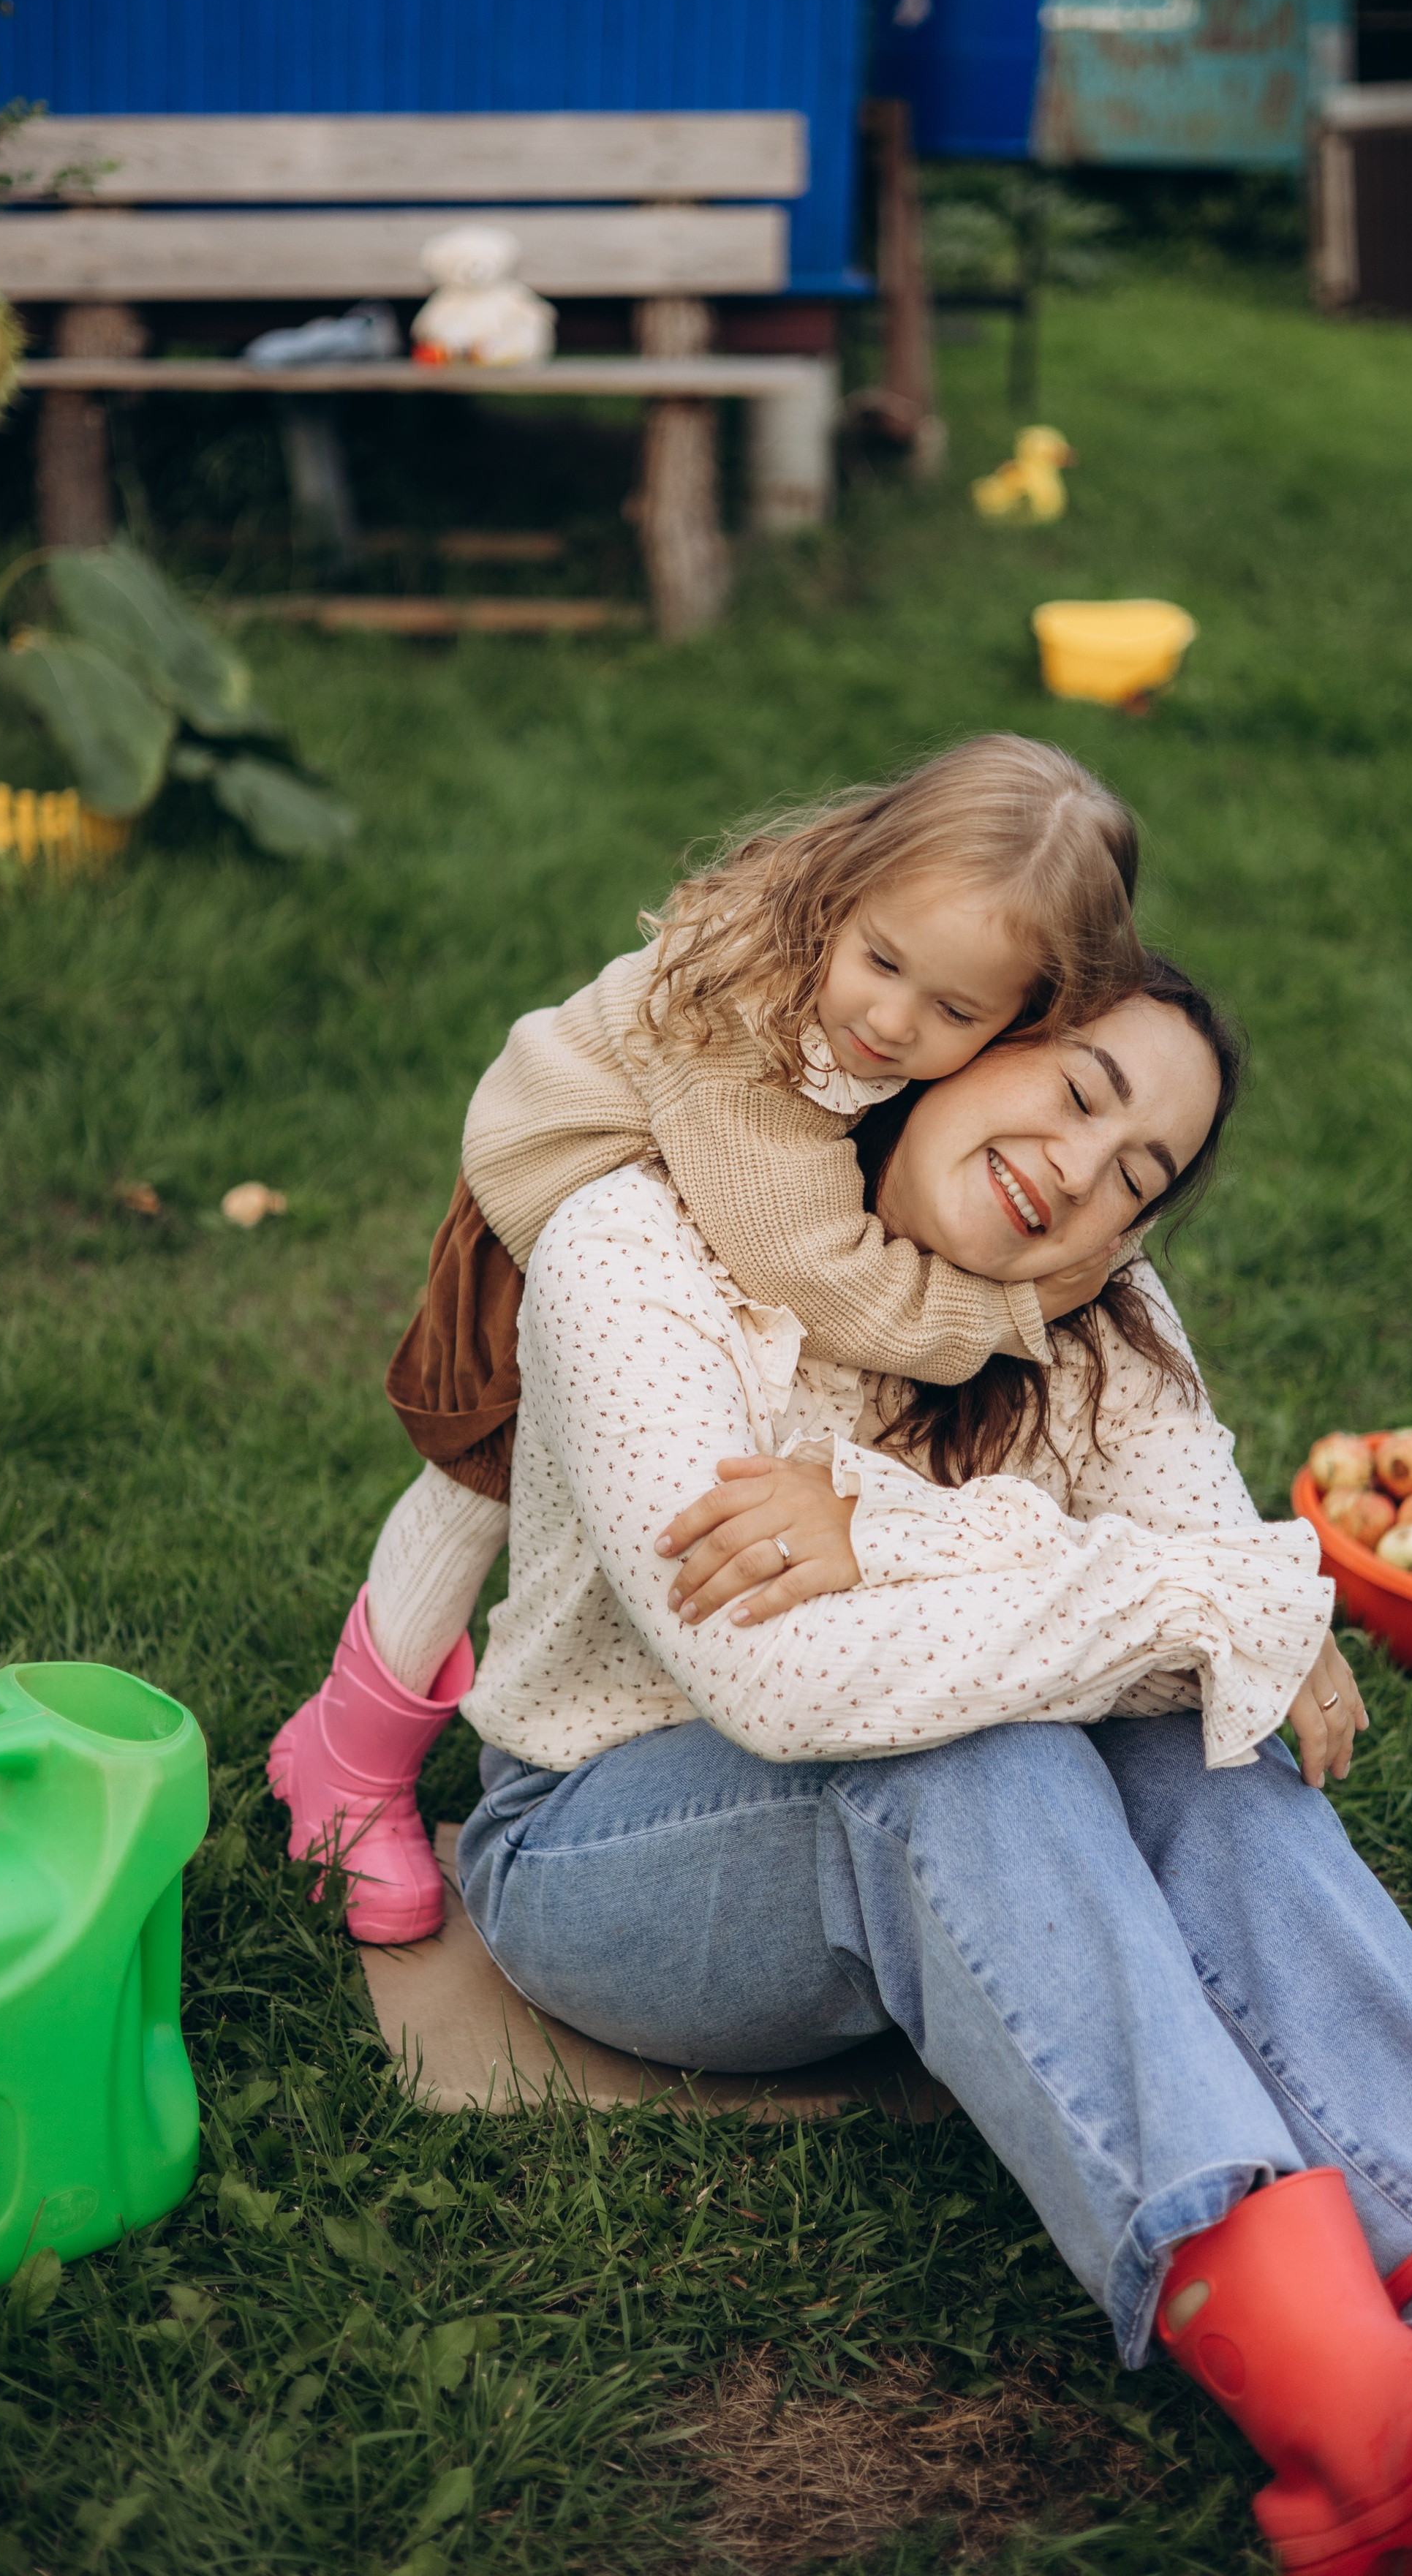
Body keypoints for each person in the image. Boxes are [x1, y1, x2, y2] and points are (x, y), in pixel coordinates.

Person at [447, 966, 1412, 2576]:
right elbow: (784, 1682)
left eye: (1137, 1171)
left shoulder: (1098, 1321)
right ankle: (1348, 2417)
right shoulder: (640, 1244)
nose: (1081, 1170)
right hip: (601, 1841)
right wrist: (1179, 1599)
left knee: (1194, 1745)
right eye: (1076, 1090)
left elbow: (1246, 1639)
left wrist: (897, 1535)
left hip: (911, 1768)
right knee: (973, 1749)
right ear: (954, 1049)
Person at [271, 735, 1148, 1937]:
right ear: (845, 890)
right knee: (481, 1474)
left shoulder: (867, 1000)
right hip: (552, 1198)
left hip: (683, 1199)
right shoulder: (751, 1022)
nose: (890, 1022)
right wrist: (1003, 1310)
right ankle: (344, 1759)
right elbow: (822, 1278)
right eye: (881, 961)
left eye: (953, 1010)